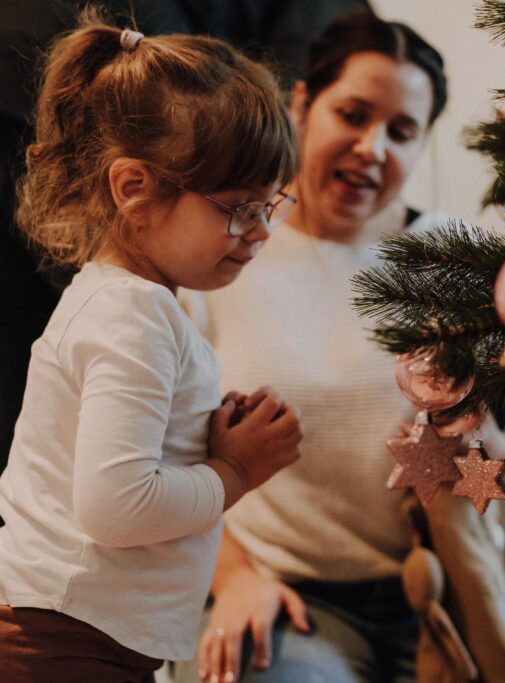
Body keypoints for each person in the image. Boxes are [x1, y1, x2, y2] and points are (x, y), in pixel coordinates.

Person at [174, 10, 505, 683]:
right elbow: (163, 451)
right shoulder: (223, 256)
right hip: (285, 595)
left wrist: (490, 445)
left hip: (442, 591)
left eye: (402, 131)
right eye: (354, 114)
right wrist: (233, 575)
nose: (374, 148)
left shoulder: (458, 262)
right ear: (302, 103)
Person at [0, 13, 303, 681]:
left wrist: (207, 434)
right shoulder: (130, 318)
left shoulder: (128, 302)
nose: (258, 231)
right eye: (235, 207)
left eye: (266, 204)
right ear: (134, 188)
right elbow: (116, 504)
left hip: (77, 629)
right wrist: (237, 473)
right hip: (64, 644)